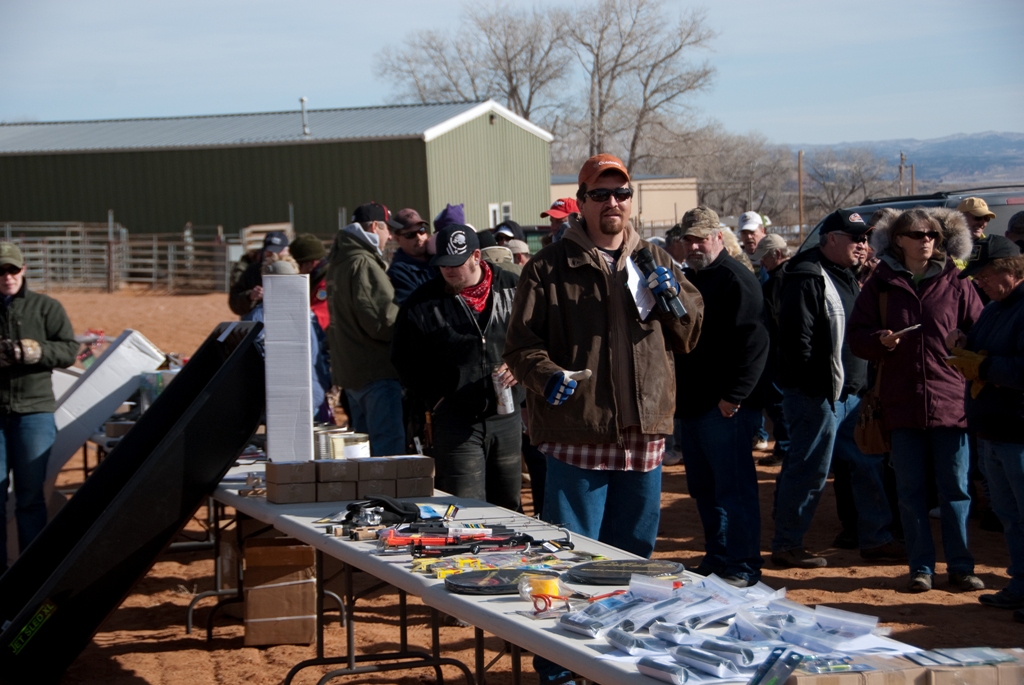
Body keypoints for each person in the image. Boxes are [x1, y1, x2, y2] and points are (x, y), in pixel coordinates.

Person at [504, 153, 703, 558]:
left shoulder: (658, 260)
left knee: (632, 554)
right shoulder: (547, 269)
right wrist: (547, 376)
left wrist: (673, 298)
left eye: (622, 193)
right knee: (574, 554)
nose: (613, 202)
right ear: (581, 201)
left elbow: (689, 336)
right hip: (579, 431)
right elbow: (521, 346)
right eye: (600, 194)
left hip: (644, 434)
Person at [848, 207, 983, 593]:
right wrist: (880, 340)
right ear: (898, 240)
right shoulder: (882, 283)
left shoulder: (957, 281)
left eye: (932, 235)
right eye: (917, 234)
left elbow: (981, 330)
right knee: (910, 492)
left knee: (955, 489)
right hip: (901, 404)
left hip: (950, 403)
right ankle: (921, 567)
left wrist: (966, 342)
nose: (926, 240)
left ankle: (960, 566)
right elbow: (857, 337)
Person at [772, 209, 902, 568]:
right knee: (810, 468)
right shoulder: (807, 275)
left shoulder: (846, 275)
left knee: (867, 464)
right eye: (855, 238)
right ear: (830, 239)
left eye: (865, 239)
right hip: (819, 396)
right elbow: (797, 343)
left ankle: (875, 537)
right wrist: (818, 391)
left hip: (850, 394)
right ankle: (787, 543)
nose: (863, 245)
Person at [392, 225, 523, 510]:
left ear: (477, 256)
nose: (448, 271)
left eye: (456, 264)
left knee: (509, 504)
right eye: (442, 264)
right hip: (455, 419)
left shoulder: (514, 287)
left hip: (508, 414)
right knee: (464, 506)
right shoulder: (422, 303)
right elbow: (403, 359)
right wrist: (436, 399)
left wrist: (521, 365)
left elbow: (542, 336)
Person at [674, 206, 769, 587]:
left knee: (734, 490)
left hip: (725, 408)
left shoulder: (736, 279)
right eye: (689, 239)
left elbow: (756, 344)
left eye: (702, 238)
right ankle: (718, 557)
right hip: (695, 405)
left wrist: (734, 396)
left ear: (718, 237)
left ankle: (744, 565)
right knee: (705, 490)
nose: (695, 245)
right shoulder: (691, 279)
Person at [943, 237, 1024, 617]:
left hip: (1018, 432)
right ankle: (1020, 584)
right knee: (1010, 516)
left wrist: (983, 366)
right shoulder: (996, 308)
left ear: (1011, 269)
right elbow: (980, 346)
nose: (981, 282)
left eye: (988, 274)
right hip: (993, 430)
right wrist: (964, 343)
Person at [0, 243, 79, 571]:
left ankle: (30, 574)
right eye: (1, 272)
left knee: (31, 497)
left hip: (34, 412)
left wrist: (33, 352)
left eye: (12, 270)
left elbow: (69, 350)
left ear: (24, 270)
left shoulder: (46, 307)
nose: (7, 278)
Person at [326, 202, 406, 456]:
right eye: (387, 229)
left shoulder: (340, 261)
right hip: (375, 371)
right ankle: (385, 497)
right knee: (387, 452)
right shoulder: (364, 264)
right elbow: (382, 322)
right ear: (374, 227)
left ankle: (367, 496)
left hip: (351, 370)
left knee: (361, 452)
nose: (390, 236)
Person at [243, 257, 332, 421]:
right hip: (311, 396)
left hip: (277, 401)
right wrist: (323, 385)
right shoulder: (307, 314)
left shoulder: (258, 317)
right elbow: (320, 354)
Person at [749, 233, 792, 468]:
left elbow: (774, 319)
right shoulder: (790, 275)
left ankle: (786, 448)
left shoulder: (778, 280)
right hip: (781, 351)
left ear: (777, 254)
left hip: (775, 352)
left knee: (777, 401)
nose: (761, 263)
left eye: (764, 257)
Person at [228, 231, 289, 317]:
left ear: (287, 251)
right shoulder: (252, 271)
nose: (273, 256)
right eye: (269, 253)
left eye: (277, 252)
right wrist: (250, 297)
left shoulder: (296, 270)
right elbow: (234, 302)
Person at [387, 208, 437, 305]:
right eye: (410, 235)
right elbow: (414, 309)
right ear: (397, 239)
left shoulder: (438, 258)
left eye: (421, 230)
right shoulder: (399, 272)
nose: (419, 237)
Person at [288, 233, 330, 331]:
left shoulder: (325, 282)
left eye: (297, 264)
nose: (295, 269)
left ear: (311, 263)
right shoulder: (315, 278)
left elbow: (319, 317)